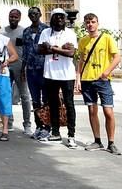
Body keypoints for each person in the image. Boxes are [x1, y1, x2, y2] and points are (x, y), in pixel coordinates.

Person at [76, 13, 122, 155]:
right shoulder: (83, 41)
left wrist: (106, 72)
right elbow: (81, 61)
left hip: (103, 80)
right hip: (87, 79)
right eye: (88, 22)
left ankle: (111, 142)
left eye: (93, 22)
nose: (90, 24)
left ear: (97, 23)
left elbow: (117, 57)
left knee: (108, 111)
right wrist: (78, 78)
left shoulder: (106, 38)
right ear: (85, 24)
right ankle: (97, 140)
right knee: (92, 110)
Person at [37, 8, 78, 148]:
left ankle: (71, 135)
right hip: (50, 74)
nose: (59, 19)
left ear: (65, 19)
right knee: (53, 104)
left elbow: (71, 53)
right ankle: (55, 132)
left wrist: (53, 48)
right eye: (56, 17)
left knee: (69, 104)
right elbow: (40, 50)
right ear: (52, 19)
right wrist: (61, 49)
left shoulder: (70, 33)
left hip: (67, 75)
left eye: (62, 17)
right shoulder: (45, 33)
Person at [21, 7, 50, 140]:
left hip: (43, 68)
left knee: (46, 99)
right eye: (31, 14)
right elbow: (25, 52)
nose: (33, 15)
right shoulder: (26, 31)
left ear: (40, 14)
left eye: (35, 13)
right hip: (31, 69)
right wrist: (23, 68)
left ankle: (47, 127)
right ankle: (39, 126)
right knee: (35, 100)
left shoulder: (46, 30)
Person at [2, 9, 31, 135]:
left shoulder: (24, 31)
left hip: (20, 67)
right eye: (11, 16)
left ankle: (27, 125)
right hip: (6, 67)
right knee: (6, 95)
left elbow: (27, 50)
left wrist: (25, 67)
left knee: (25, 96)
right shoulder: (2, 31)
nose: (12, 18)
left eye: (15, 17)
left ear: (19, 18)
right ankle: (9, 123)